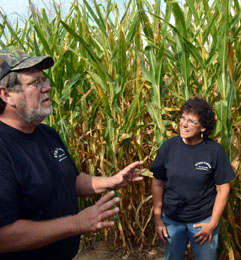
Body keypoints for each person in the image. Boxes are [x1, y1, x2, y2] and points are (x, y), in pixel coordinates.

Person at [0, 47, 145, 260]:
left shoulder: (47, 134)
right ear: (6, 94)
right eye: (35, 83)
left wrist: (112, 181)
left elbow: (70, 180)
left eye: (44, 80)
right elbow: (4, 236)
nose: (47, 87)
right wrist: (77, 223)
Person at [151, 97, 235, 260]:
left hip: (202, 221)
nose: (184, 124)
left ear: (203, 127)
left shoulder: (214, 151)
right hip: (172, 221)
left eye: (191, 121)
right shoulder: (168, 147)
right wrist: (158, 219)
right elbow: (157, 184)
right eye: (182, 118)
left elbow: (223, 189)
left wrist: (212, 223)